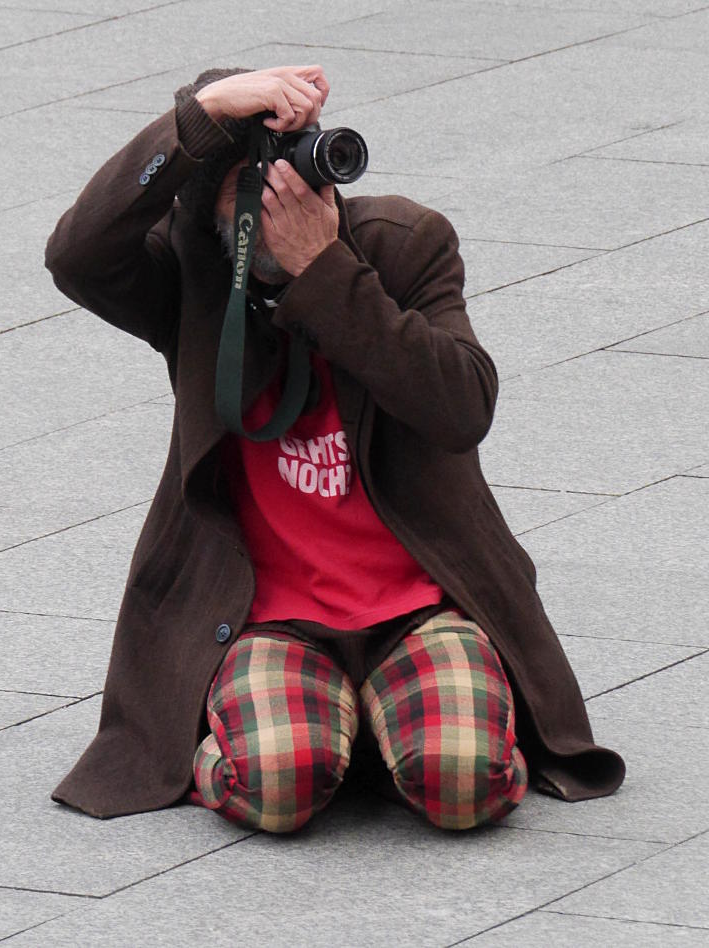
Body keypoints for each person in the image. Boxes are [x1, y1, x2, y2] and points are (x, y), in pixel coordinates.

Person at [45, 65, 625, 832]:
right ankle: (302, 741)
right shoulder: (194, 275)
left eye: (296, 170)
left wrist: (327, 276)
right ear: (202, 203)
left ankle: (383, 738)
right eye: (249, 181)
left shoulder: (401, 245)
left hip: (420, 606)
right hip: (266, 616)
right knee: (277, 789)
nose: (282, 198)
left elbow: (462, 406)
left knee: (465, 787)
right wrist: (203, 116)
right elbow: (77, 255)